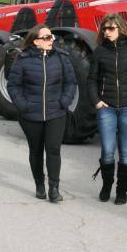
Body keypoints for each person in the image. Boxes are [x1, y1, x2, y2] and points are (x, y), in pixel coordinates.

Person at [6, 25, 76, 202]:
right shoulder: (22, 60)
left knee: (53, 150)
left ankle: (54, 188)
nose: (51, 40)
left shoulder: (61, 58)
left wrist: (64, 101)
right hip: (31, 115)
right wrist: (23, 105)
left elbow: (70, 82)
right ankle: (39, 184)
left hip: (56, 113)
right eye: (46, 38)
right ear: (36, 41)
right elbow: (13, 86)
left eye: (51, 36)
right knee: (36, 151)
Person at [87, 13, 127, 205]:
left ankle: (122, 191)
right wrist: (97, 101)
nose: (107, 32)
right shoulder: (99, 52)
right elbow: (91, 79)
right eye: (104, 29)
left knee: (125, 151)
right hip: (106, 108)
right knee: (107, 150)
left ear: (120, 29)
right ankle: (107, 186)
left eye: (111, 28)